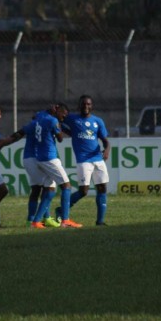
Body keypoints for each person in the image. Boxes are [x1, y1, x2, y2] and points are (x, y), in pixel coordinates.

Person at [59, 95, 110, 226]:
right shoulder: (72, 118)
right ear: (79, 105)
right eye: (83, 104)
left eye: (88, 104)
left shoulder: (98, 121)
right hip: (83, 160)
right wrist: (66, 131)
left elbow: (105, 140)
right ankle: (61, 210)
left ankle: (100, 221)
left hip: (97, 158)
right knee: (84, 191)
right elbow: (58, 120)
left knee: (102, 188)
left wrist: (107, 150)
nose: (86, 106)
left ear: (92, 106)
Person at [31, 103, 82, 228]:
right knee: (66, 186)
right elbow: (60, 138)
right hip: (49, 158)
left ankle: (36, 222)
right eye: (63, 115)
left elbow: (34, 116)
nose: (63, 118)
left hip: (40, 158)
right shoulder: (53, 120)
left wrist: (49, 110)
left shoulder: (41, 115)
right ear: (57, 110)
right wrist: (59, 125)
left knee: (50, 190)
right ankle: (65, 220)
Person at [11, 105, 62, 228]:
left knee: (36, 189)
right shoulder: (45, 123)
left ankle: (32, 219)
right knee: (49, 188)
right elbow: (59, 137)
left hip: (29, 158)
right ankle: (44, 218)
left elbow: (18, 133)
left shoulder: (33, 124)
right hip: (37, 158)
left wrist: (4, 142)